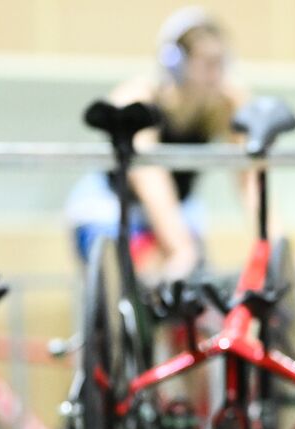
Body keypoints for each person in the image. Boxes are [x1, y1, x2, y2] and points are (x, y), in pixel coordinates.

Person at [65, 6, 253, 279]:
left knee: (199, 296)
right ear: (175, 63)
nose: (216, 75)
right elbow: (150, 177)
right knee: (140, 279)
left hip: (177, 213)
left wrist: (276, 250)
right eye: (207, 64)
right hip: (111, 211)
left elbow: (252, 182)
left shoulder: (226, 104)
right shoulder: (140, 98)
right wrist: (181, 249)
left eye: (220, 63)